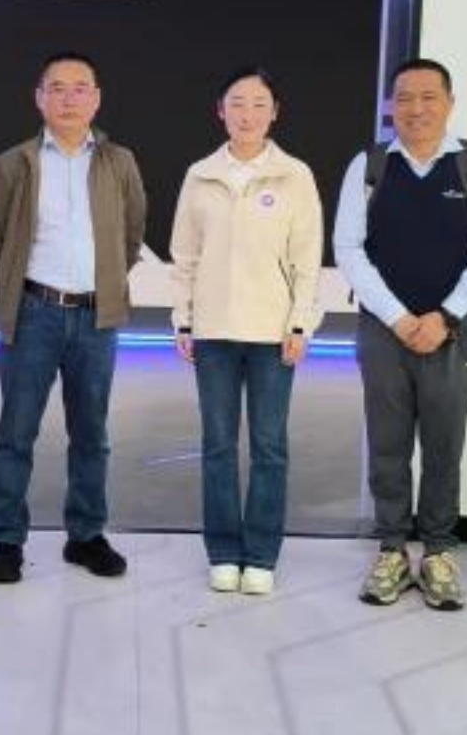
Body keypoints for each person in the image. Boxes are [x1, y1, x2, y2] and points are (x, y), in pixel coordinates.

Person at [333, 58, 467, 611]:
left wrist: (444, 317)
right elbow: (348, 249)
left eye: (429, 97)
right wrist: (398, 318)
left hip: (451, 332)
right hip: (384, 331)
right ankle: (391, 550)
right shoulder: (370, 165)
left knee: (443, 445)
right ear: (391, 105)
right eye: (404, 97)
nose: (416, 108)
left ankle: (437, 552)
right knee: (387, 445)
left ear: (450, 103)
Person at [0, 52, 148, 584]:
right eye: (57, 88)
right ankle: (8, 541)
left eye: (80, 88)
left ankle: (86, 536)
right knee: (16, 433)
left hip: (96, 317)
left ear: (96, 99)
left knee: (92, 434)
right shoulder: (13, 164)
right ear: (39, 98)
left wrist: (107, 281)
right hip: (33, 313)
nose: (69, 98)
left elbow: (132, 234)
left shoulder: (119, 162)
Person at [170, 67, 324, 597]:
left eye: (259, 104)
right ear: (220, 111)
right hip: (213, 333)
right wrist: (184, 319)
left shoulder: (294, 176)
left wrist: (301, 322)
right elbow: (185, 256)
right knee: (217, 446)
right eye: (237, 103)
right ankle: (222, 552)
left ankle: (260, 554)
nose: (248, 114)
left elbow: (307, 258)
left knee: (269, 447)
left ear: (275, 112)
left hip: (272, 335)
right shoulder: (200, 175)